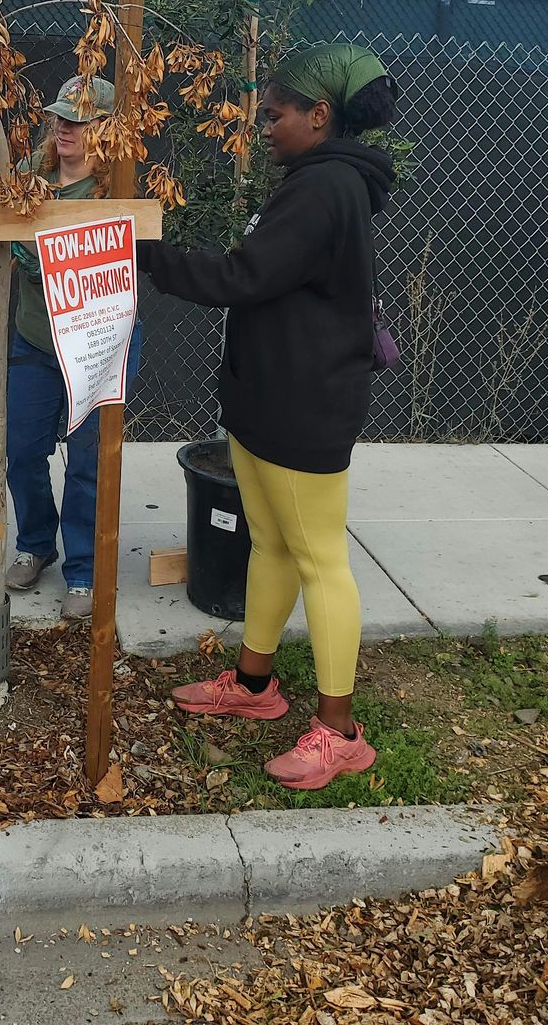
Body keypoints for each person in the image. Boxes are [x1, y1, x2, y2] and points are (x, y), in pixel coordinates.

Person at [135, 44, 399, 791]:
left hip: (302, 405)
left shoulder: (325, 191)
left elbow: (245, 276)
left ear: (321, 115)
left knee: (319, 560)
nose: (265, 126)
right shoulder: (311, 182)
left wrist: (151, 254)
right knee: (273, 547)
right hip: (267, 399)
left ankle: (339, 732)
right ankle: (254, 687)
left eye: (276, 114)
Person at [5, 75, 142, 621]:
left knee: (88, 458)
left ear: (105, 130)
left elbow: (117, 262)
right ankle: (37, 542)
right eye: (61, 116)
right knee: (21, 448)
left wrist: (36, 253)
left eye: (79, 119)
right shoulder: (27, 178)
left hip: (99, 345)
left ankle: (83, 569)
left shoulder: (116, 189)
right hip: (35, 338)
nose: (65, 127)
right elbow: (11, 240)